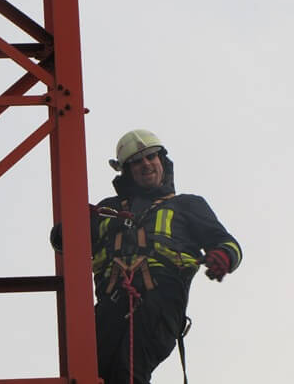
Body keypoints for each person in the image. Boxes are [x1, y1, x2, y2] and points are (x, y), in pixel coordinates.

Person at [51, 129, 242, 384]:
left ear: (162, 160)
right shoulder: (108, 210)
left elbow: (227, 242)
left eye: (151, 157)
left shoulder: (187, 205)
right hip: (111, 303)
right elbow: (61, 242)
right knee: (91, 372)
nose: (146, 164)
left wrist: (224, 256)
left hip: (160, 301)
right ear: (127, 171)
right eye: (137, 161)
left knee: (128, 371)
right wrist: (74, 221)